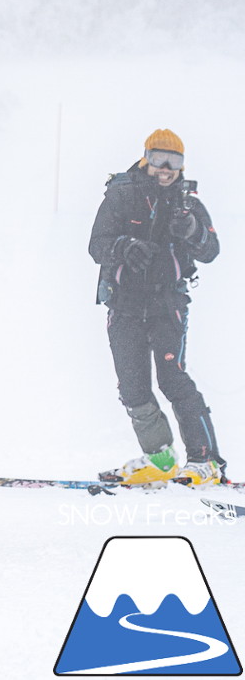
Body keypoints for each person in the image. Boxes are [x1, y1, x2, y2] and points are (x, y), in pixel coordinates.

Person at [89, 129, 223, 485]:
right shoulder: (122, 194)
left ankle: (205, 461)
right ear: (145, 157)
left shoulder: (187, 203)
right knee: (132, 387)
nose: (166, 169)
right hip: (124, 303)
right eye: (159, 159)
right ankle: (160, 459)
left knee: (173, 379)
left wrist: (192, 230)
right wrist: (124, 247)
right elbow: (96, 244)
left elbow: (211, 251)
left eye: (175, 162)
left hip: (167, 304)